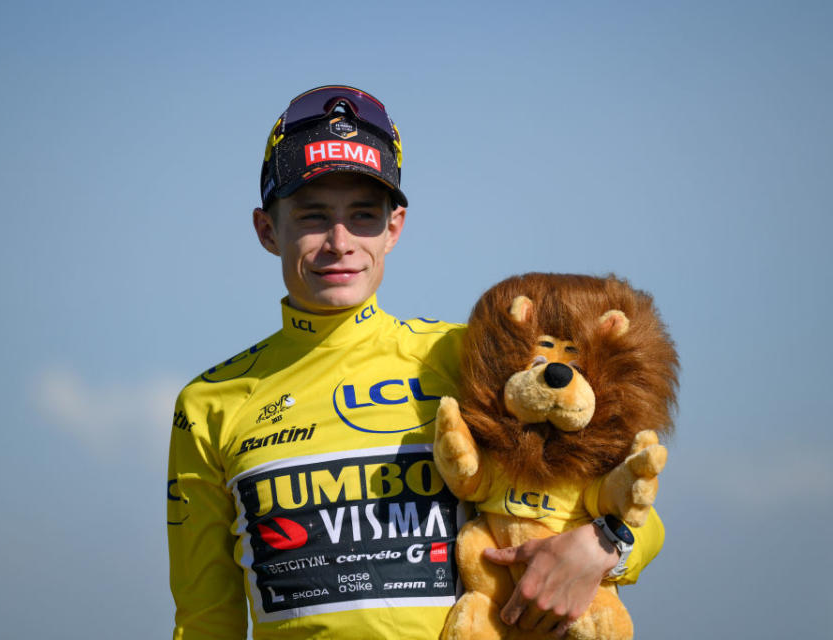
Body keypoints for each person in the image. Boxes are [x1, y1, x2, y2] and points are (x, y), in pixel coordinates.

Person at [167, 85, 664, 639]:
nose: (339, 242)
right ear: (267, 230)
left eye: (362, 215)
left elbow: (634, 505)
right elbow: (206, 618)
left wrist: (604, 546)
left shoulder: (472, 356)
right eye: (312, 216)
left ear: (394, 228)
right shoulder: (208, 403)